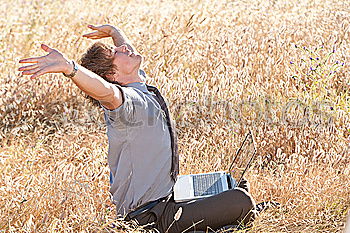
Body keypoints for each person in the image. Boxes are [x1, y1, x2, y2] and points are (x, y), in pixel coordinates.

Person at [18, 24, 256, 232]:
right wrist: (70, 68)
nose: (123, 48)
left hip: (167, 196)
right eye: (116, 52)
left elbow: (127, 54)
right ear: (113, 74)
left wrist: (114, 33)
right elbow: (106, 92)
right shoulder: (125, 104)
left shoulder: (138, 84)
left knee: (232, 183)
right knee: (241, 200)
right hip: (150, 218)